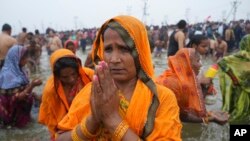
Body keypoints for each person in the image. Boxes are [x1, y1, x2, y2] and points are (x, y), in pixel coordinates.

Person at [56, 15, 182, 141]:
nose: (114, 59)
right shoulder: (92, 92)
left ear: (140, 52)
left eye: (124, 49)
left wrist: (112, 120)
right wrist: (93, 120)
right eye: (108, 49)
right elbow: (60, 138)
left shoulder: (161, 98)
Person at [156, 48, 229, 125]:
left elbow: (194, 104)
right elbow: (181, 115)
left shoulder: (182, 76)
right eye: (197, 61)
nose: (201, 64)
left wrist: (205, 87)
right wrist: (210, 119)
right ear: (187, 63)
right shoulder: (175, 83)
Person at [38, 49, 94, 140]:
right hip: (65, 129)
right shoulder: (51, 90)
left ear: (78, 69)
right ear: (57, 76)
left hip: (89, 122)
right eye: (65, 77)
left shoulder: (89, 75)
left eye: (74, 74)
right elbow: (52, 121)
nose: (71, 79)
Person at [0, 45, 42, 128]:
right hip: (12, 115)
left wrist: (35, 95)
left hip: (22, 111)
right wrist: (32, 85)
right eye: (23, 58)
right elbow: (16, 98)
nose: (26, 60)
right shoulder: (7, 75)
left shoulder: (20, 70)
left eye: (26, 57)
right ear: (15, 58)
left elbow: (23, 89)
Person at [218, 34, 250, 124]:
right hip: (240, 88)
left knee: (245, 112)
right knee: (239, 112)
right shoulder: (243, 55)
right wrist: (234, 79)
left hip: (247, 87)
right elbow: (222, 62)